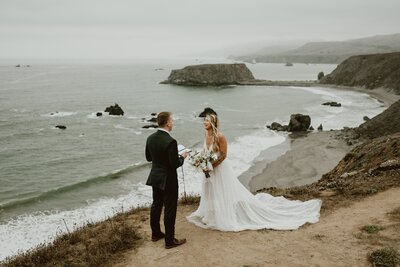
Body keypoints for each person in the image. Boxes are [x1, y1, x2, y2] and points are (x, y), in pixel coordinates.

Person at [187, 113, 322, 231]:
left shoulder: (220, 136)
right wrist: (202, 162)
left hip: (219, 168)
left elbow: (223, 154)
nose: (204, 122)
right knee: (210, 190)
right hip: (209, 168)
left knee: (220, 190)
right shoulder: (206, 134)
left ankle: (222, 216)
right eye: (204, 120)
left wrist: (212, 165)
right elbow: (206, 152)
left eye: (207, 120)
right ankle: (211, 215)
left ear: (213, 123)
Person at [145, 111, 188, 248]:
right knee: (170, 208)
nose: (173, 122)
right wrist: (182, 156)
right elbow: (175, 164)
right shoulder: (170, 141)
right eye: (172, 120)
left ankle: (156, 233)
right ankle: (169, 241)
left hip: (155, 177)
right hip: (168, 179)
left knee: (156, 204)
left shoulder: (150, 138)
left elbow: (149, 158)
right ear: (168, 123)